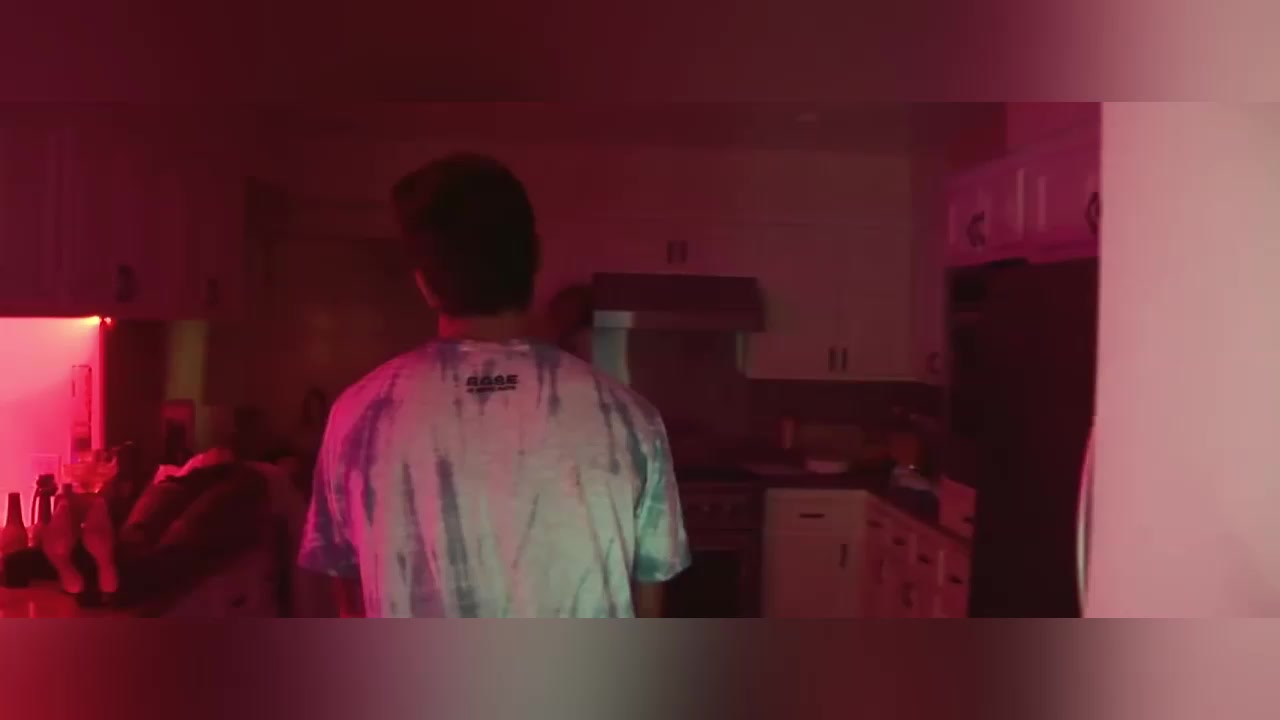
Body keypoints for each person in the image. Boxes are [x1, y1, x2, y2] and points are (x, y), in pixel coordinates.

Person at [296, 153, 689, 617]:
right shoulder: (631, 418)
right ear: (536, 258)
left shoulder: (356, 416)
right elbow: (648, 602)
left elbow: (351, 598)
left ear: (424, 284)